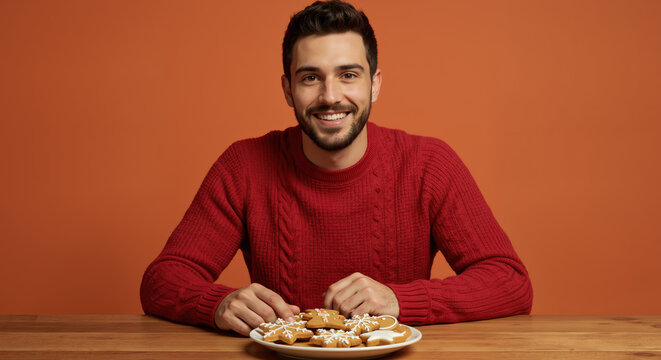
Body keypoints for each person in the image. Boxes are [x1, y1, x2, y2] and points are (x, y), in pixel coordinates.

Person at [140, 0, 533, 336]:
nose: (331, 97)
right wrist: (217, 303)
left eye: (348, 75)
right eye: (311, 78)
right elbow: (162, 280)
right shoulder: (243, 165)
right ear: (287, 89)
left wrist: (401, 299)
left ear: (374, 84)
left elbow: (511, 282)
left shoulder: (429, 164)